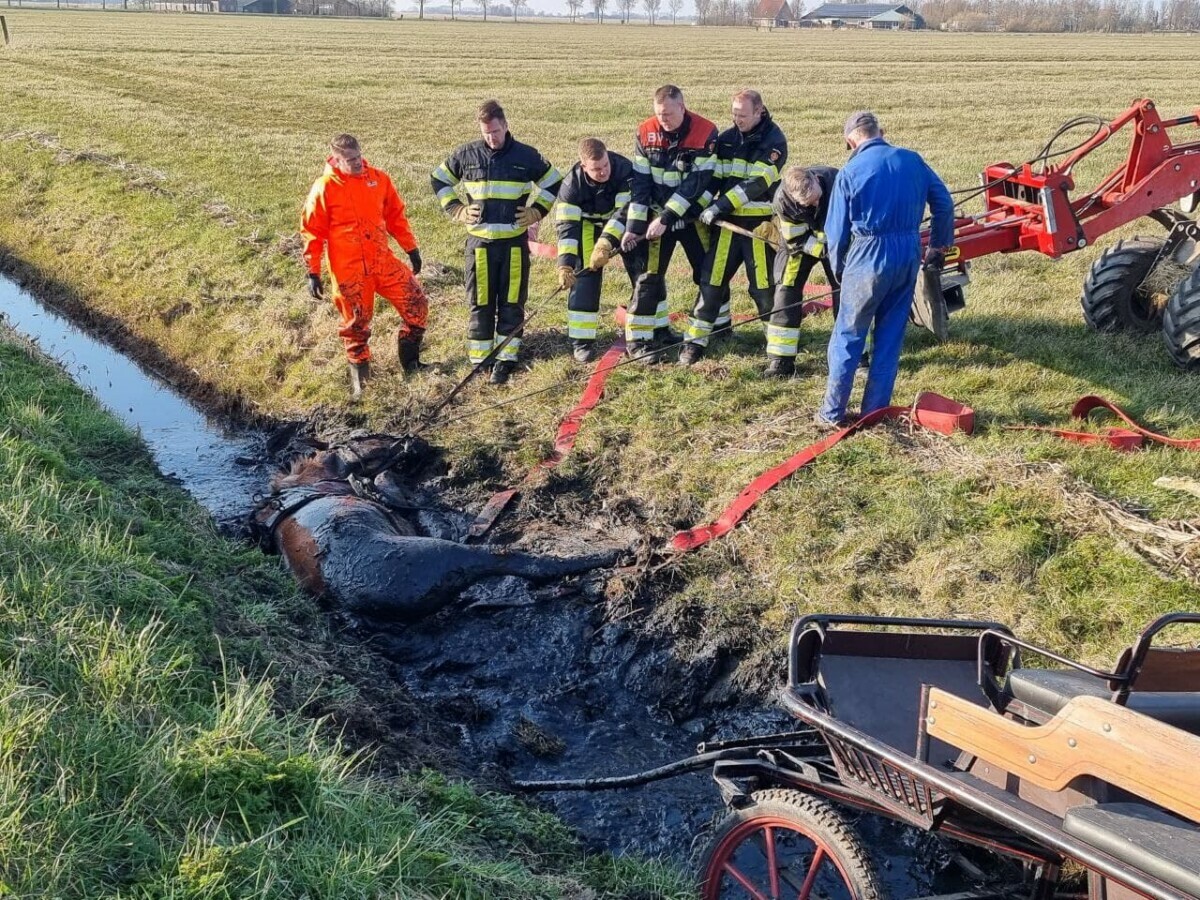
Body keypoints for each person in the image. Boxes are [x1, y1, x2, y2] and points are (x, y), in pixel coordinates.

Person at [818, 111, 954, 426]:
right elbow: (944, 204)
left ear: (850, 140)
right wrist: (937, 246)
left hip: (868, 255)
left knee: (849, 335)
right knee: (890, 337)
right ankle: (874, 412)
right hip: (907, 253)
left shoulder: (850, 172)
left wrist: (840, 271)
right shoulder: (912, 160)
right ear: (881, 131)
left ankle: (832, 412)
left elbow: (836, 232)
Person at [432, 100, 562, 385]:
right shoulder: (466, 154)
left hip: (514, 246)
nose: (491, 138)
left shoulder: (527, 156)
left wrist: (537, 211)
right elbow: (439, 179)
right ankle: (481, 359)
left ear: (505, 126)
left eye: (495, 131)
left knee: (512, 302)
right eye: (486, 132)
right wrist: (457, 209)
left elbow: (554, 182)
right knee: (480, 302)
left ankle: (506, 358)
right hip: (479, 245)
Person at [301, 133, 427, 398]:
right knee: (356, 325)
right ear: (336, 160)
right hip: (350, 271)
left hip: (382, 261)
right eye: (350, 160)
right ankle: (362, 385)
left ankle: (412, 364)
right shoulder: (325, 187)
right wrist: (312, 271)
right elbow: (312, 231)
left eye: (358, 156)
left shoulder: (378, 179)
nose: (357, 163)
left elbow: (395, 216)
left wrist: (410, 248)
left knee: (416, 302)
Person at [682, 88, 788, 366]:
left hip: (756, 230)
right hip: (728, 228)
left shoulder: (774, 142)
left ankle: (778, 350)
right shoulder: (727, 140)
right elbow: (714, 179)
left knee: (763, 289)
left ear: (759, 111)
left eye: (742, 115)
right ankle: (694, 343)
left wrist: (719, 207)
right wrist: (701, 206)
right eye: (734, 114)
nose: (737, 120)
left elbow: (756, 184)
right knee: (711, 282)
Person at [621, 84, 719, 363]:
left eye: (668, 114)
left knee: (707, 272)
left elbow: (696, 183)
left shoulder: (705, 132)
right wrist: (635, 226)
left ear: (682, 107)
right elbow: (640, 183)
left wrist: (668, 218)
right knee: (648, 277)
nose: (663, 120)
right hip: (655, 216)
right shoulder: (644, 132)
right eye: (659, 114)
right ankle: (638, 341)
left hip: (690, 217)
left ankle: (718, 327)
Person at [555, 137, 636, 363]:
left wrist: (606, 242)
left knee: (642, 272)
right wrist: (565, 264)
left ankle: (650, 332)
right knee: (584, 278)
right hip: (587, 225)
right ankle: (582, 342)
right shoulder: (570, 187)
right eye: (596, 169)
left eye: (605, 166)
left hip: (625, 226)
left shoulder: (624, 170)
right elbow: (567, 228)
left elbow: (624, 212)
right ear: (583, 167)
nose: (603, 172)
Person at [760, 164, 839, 378]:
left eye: (817, 197)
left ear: (815, 179)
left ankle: (857, 358)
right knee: (786, 292)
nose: (816, 203)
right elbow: (795, 238)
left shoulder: (837, 182)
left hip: (837, 244)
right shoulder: (782, 201)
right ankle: (780, 361)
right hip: (801, 245)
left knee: (845, 290)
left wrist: (836, 250)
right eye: (808, 203)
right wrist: (821, 249)